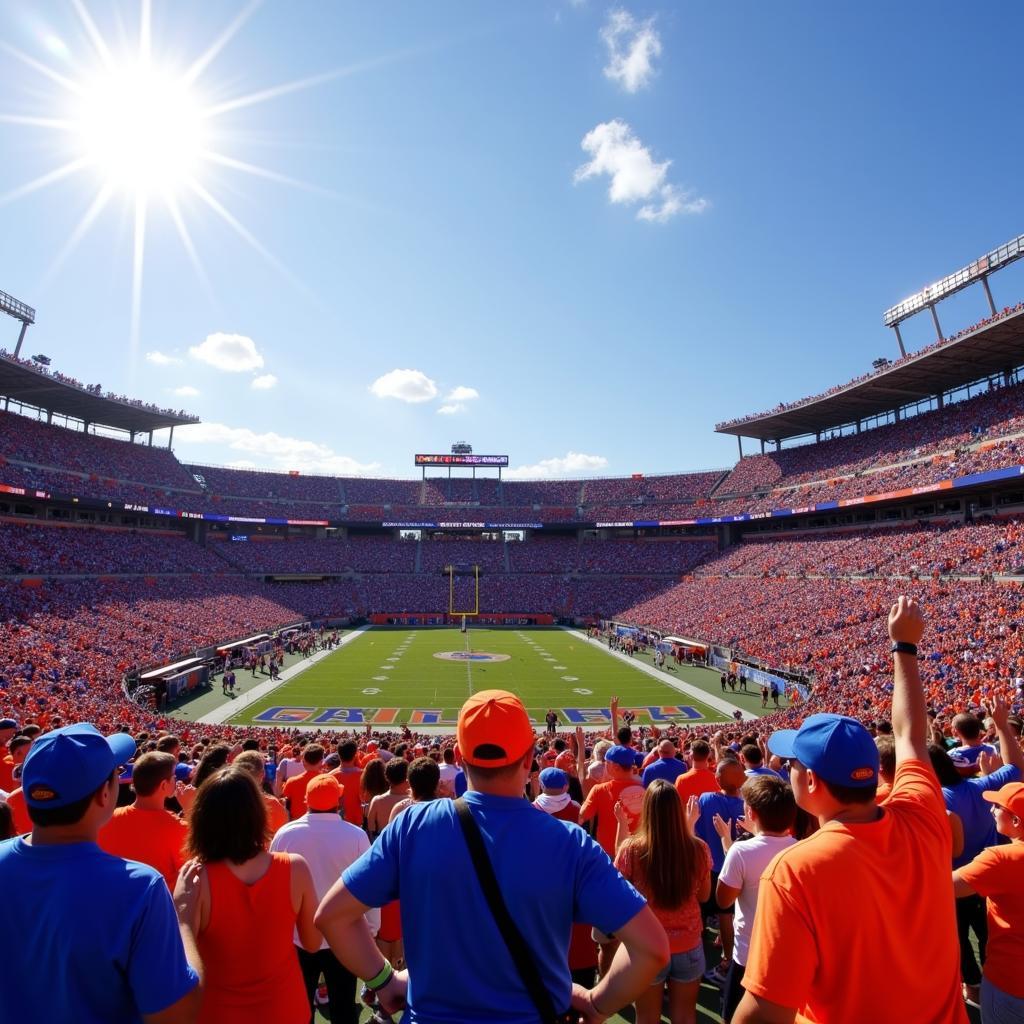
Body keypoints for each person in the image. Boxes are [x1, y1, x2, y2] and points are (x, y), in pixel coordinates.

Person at [314, 689, 669, 1024]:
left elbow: (333, 916)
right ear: (529, 758)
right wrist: (596, 1005)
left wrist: (383, 981)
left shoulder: (413, 824)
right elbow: (652, 949)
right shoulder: (570, 843)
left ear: (460, 754)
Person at [734, 596, 969, 1024]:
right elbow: (912, 734)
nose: (787, 771)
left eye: (792, 764)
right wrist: (905, 649)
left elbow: (764, 1012)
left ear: (811, 782)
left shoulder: (795, 871)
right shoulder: (922, 813)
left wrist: (904, 647)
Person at [0, 723, 200, 1023]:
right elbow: (176, 1015)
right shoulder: (140, 888)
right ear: (104, 794)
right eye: (115, 775)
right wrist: (184, 919)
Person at [173, 765, 321, 1024]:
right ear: (257, 814)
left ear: (202, 818)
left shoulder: (196, 878)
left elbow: (180, 964)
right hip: (286, 1008)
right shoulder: (295, 867)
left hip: (219, 1013)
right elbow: (312, 942)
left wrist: (182, 916)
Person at [928, 697, 1023, 1005]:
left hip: (958, 881)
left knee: (957, 939)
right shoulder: (981, 787)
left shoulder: (935, 800)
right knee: (987, 934)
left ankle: (972, 984)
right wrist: (1002, 727)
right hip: (991, 884)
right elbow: (1015, 768)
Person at [271, 775, 379, 1024]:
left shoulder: (285, 834)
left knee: (300, 1008)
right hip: (343, 937)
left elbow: (275, 886)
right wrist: (371, 929)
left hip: (298, 937)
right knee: (343, 1006)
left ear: (307, 800)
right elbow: (369, 888)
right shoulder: (356, 836)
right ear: (338, 799)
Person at [613, 779, 711, 1024]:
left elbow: (619, 891)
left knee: (646, 1018)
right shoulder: (698, 849)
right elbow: (704, 896)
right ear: (678, 810)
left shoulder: (631, 849)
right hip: (688, 944)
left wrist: (621, 826)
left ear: (647, 810)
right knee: (685, 1016)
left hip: (646, 946)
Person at [714, 776, 797, 1022]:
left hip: (749, 957)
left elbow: (723, 901)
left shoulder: (740, 851)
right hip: (787, 957)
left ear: (751, 812)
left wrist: (727, 845)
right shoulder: (801, 846)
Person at [953, 781, 1024, 1022]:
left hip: (1011, 983)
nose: (991, 810)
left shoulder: (1002, 859)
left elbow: (944, 888)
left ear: (1016, 821)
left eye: (997, 806)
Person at [98, 750, 188, 892]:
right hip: (156, 909)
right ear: (164, 785)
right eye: (173, 777)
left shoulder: (106, 818)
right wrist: (190, 809)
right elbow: (190, 876)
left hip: (112, 902)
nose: (176, 780)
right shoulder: (179, 828)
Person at [693, 758, 746, 985]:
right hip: (736, 866)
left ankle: (703, 959)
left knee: (705, 914)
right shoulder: (746, 805)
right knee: (729, 915)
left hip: (710, 867)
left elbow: (694, 829)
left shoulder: (706, 799)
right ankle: (727, 958)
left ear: (717, 779)